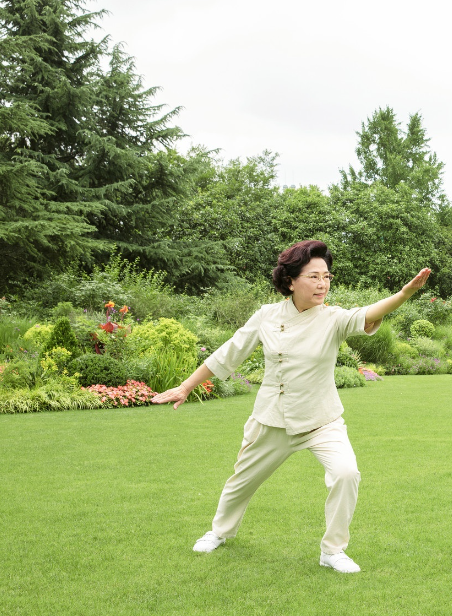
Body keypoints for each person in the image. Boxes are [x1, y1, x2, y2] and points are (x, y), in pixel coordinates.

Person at [152, 240, 430, 574]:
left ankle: (333, 550)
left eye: (326, 277)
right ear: (290, 280)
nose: (322, 284)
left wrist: (404, 294)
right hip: (272, 419)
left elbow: (368, 314)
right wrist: (185, 387)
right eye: (313, 276)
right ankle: (219, 532)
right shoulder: (267, 316)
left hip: (321, 419)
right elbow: (229, 352)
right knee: (241, 482)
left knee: (346, 473)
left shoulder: (334, 319)